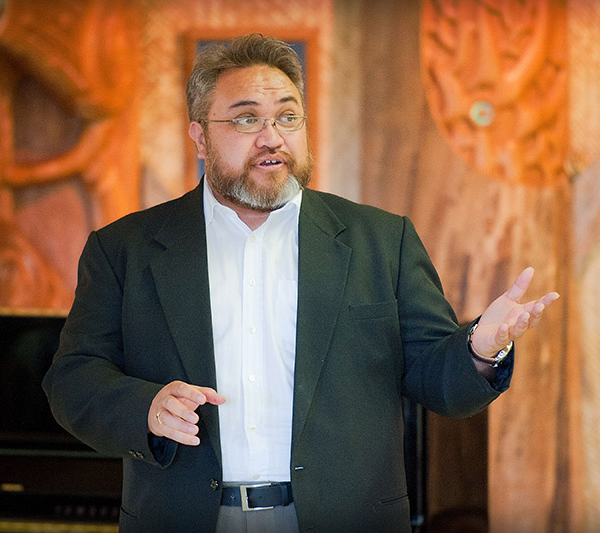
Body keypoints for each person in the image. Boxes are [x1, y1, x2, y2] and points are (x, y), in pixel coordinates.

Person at [43, 33, 559, 533]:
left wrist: (480, 349)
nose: (272, 137)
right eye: (247, 118)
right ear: (199, 137)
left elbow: (435, 377)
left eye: (288, 117)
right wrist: (145, 408)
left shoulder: (381, 241)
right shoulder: (125, 249)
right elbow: (72, 379)